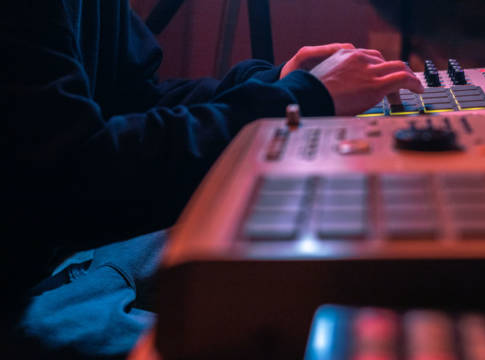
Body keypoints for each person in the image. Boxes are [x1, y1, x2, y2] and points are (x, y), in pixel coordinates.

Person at [2, 0, 423, 358]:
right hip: (32, 284)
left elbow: (134, 102)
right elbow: (76, 177)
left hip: (81, 248)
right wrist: (300, 97)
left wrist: (274, 84)